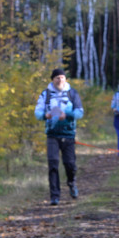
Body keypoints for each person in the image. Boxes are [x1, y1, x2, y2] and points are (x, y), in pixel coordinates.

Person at [34, 68, 84, 205]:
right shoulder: (46, 94)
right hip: (52, 135)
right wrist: (46, 115)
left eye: (62, 77)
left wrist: (66, 115)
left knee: (70, 164)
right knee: (53, 163)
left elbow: (80, 112)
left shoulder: (72, 93)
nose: (60, 80)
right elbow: (37, 113)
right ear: (52, 80)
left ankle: (71, 182)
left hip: (68, 134)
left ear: (65, 79)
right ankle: (54, 196)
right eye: (57, 77)